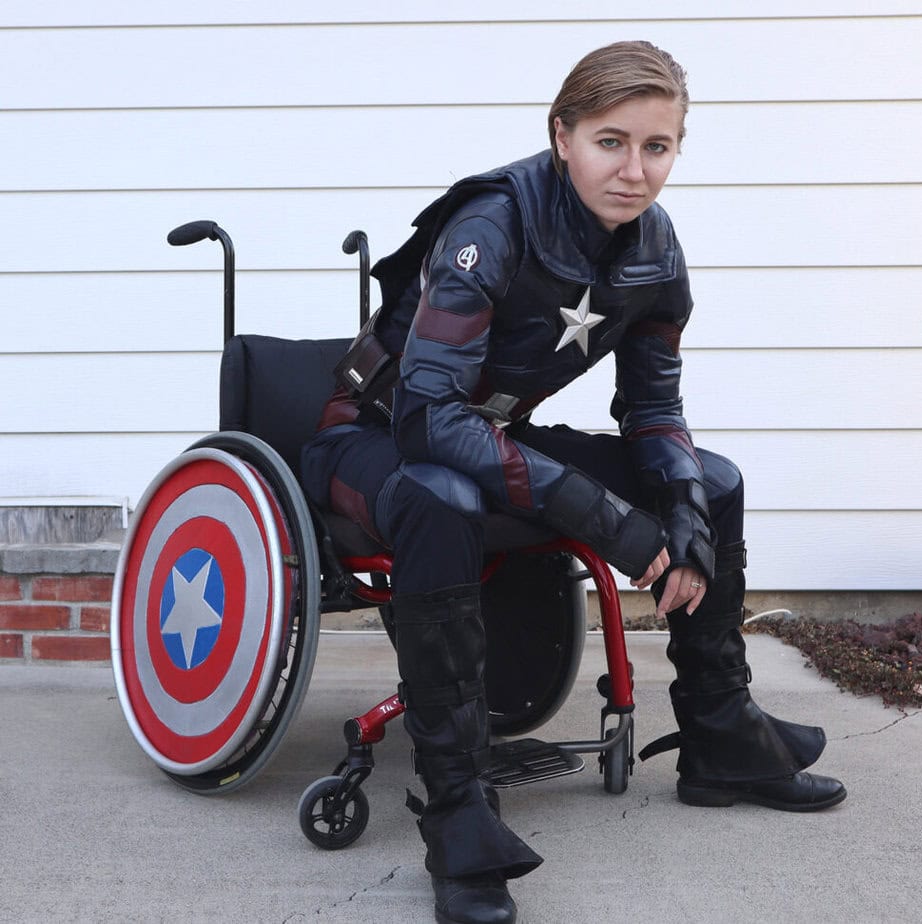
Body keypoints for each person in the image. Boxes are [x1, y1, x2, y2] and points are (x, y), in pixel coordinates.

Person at [302, 40, 846, 924]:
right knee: (444, 495)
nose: (635, 170)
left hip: (484, 437)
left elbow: (655, 413)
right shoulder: (494, 222)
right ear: (562, 136)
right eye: (610, 142)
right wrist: (620, 529)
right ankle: (458, 808)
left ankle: (719, 734)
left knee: (715, 479)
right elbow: (429, 419)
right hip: (374, 438)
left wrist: (680, 513)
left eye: (658, 147)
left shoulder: (655, 246)